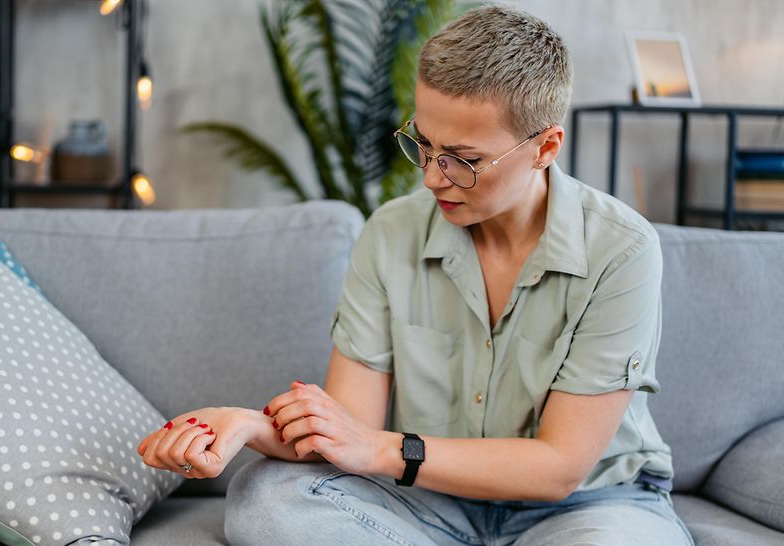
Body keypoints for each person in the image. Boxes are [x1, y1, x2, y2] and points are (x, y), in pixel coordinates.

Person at [137, 5, 695, 545]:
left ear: (544, 147)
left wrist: (382, 451)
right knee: (265, 500)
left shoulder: (622, 251)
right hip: (426, 500)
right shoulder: (391, 233)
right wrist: (247, 427)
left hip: (589, 506)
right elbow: (348, 430)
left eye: (463, 159)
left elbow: (557, 468)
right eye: (422, 145)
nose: (431, 177)